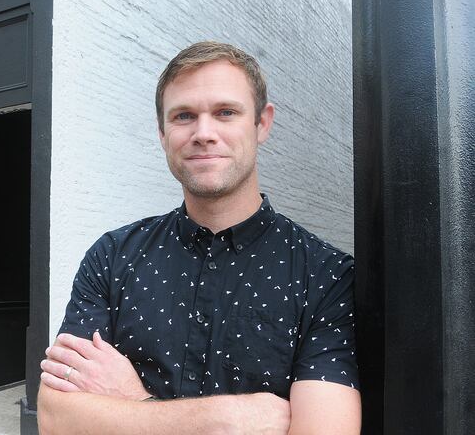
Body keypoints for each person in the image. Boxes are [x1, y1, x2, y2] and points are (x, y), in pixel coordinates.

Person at [37, 41, 361, 434]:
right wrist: (226, 421)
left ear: (262, 123)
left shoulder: (327, 277)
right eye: (184, 116)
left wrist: (132, 404)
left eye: (226, 112)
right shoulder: (112, 257)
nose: (203, 133)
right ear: (162, 132)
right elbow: (57, 420)